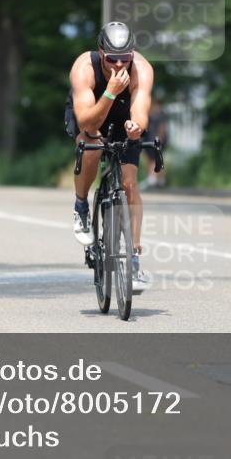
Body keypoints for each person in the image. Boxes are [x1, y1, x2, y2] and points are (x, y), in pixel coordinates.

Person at [65, 22, 154, 293]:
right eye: (112, 59)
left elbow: (140, 111)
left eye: (124, 59)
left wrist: (135, 126)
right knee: (90, 143)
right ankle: (81, 205)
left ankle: (135, 260)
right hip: (92, 111)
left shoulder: (141, 69)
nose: (118, 65)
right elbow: (88, 123)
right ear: (100, 52)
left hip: (123, 113)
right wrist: (110, 91)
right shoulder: (84, 68)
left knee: (129, 184)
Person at [144, 98, 169, 188]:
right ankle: (155, 178)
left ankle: (154, 178)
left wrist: (161, 139)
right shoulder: (153, 114)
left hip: (157, 140)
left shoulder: (160, 115)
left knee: (156, 159)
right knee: (154, 159)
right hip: (150, 139)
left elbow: (163, 128)